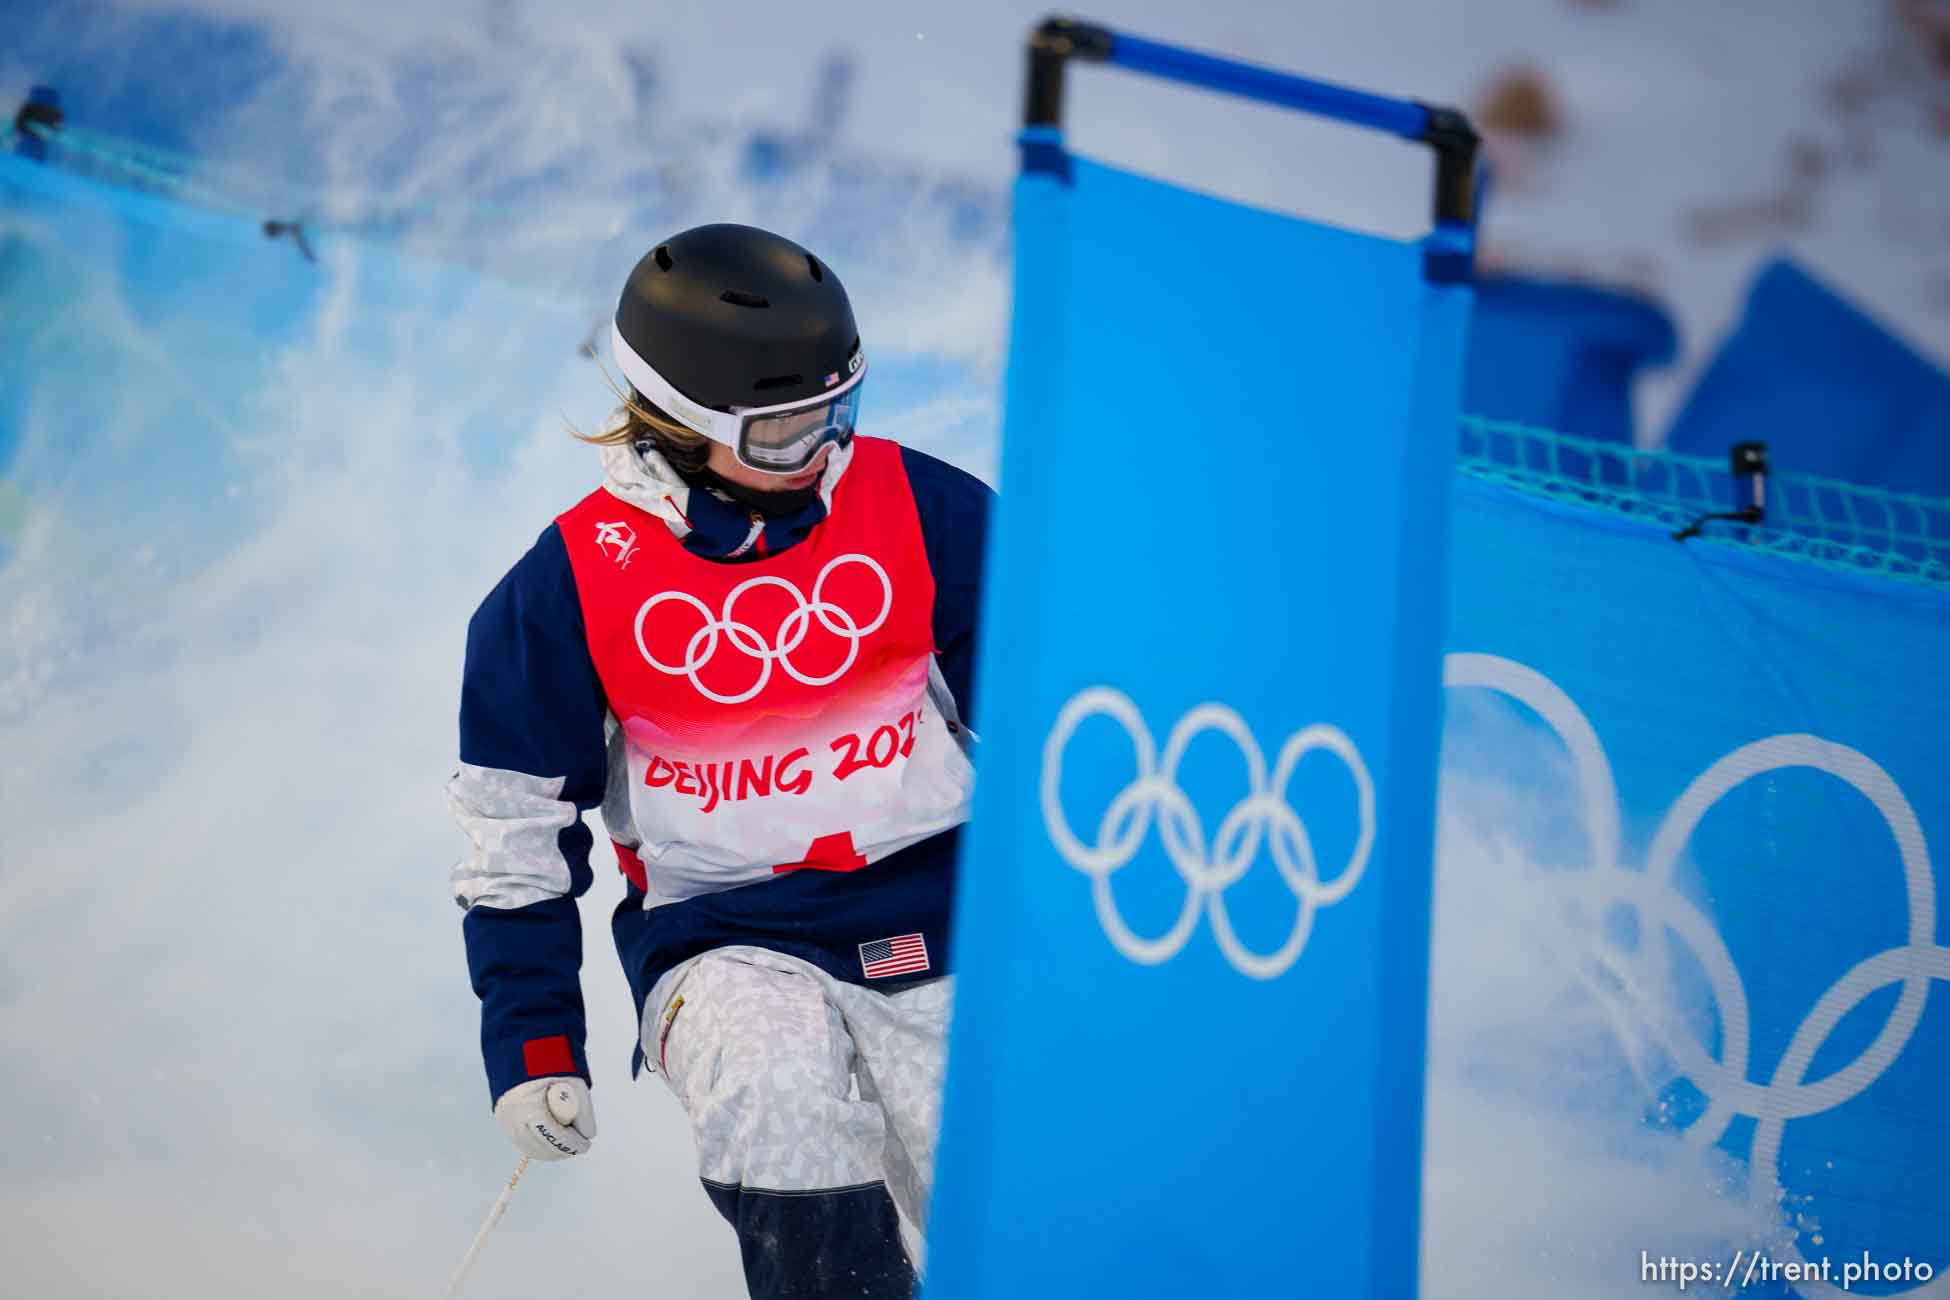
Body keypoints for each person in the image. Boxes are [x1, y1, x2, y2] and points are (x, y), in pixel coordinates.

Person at [447, 222, 992, 1299]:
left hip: (955, 916)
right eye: (786, 430)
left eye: (841, 412)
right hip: (729, 938)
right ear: (686, 422)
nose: (823, 450)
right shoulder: (570, 588)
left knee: (1000, 1186)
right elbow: (515, 835)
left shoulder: (921, 508)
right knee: (773, 1090)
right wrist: (534, 1038)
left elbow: (1064, 726)